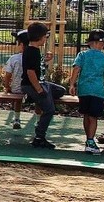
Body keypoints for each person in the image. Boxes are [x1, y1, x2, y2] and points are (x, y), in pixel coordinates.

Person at [21, 21, 68, 149]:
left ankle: (33, 97)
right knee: (49, 110)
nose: (46, 39)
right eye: (45, 36)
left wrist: (45, 60)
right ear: (40, 37)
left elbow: (36, 66)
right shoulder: (32, 52)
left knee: (60, 90)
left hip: (41, 83)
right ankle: (39, 137)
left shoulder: (35, 51)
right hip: (32, 85)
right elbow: (30, 72)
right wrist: (39, 90)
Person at [68, 29, 104, 155]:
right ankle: (90, 141)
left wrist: (72, 84)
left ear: (89, 42)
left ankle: (88, 139)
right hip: (97, 91)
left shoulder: (82, 55)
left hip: (84, 90)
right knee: (93, 116)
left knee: (86, 115)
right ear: (103, 44)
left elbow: (76, 69)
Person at [2, 30, 29, 128]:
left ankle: (16, 119)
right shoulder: (37, 57)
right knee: (38, 100)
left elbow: (8, 75)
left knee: (17, 100)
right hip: (33, 88)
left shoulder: (14, 58)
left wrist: (7, 86)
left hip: (17, 88)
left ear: (21, 44)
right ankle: (39, 120)